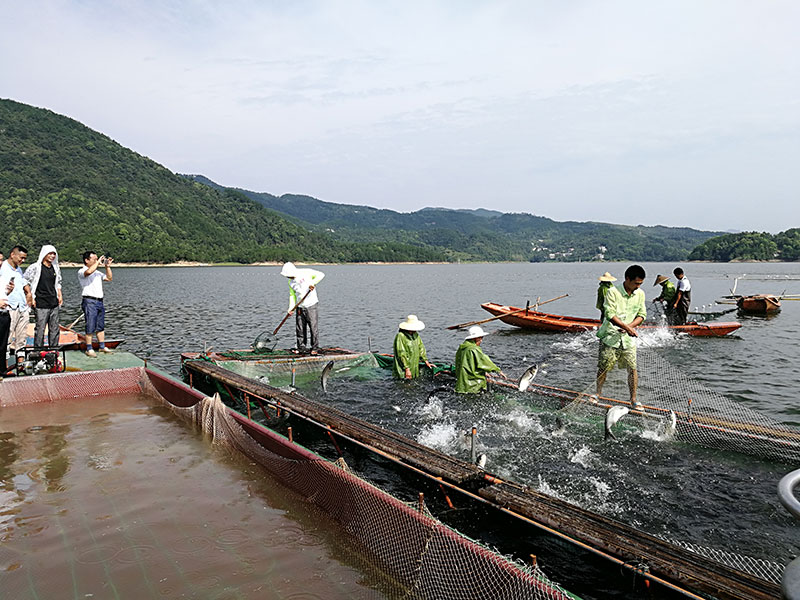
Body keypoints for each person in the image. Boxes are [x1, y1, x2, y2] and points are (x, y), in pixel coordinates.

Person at [596, 264, 647, 409]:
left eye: (640, 284)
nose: (638, 286)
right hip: (610, 337)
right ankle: (597, 394)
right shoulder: (612, 292)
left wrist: (629, 327)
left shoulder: (640, 294)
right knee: (603, 367)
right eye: (636, 283)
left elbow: (642, 315)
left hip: (628, 340)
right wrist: (626, 327)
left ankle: (633, 399)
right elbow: (609, 314)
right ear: (627, 279)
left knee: (632, 369)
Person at [23, 245, 63, 347]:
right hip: (40, 302)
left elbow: (58, 282)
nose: (52, 256)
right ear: (44, 254)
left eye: (54, 254)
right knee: (40, 329)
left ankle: (54, 350)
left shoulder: (55, 268)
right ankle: (38, 351)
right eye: (50, 253)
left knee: (54, 328)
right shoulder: (35, 267)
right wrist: (30, 296)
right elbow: (24, 280)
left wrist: (60, 294)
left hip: (53, 302)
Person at [280, 262, 324, 355]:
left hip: (311, 305)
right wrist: (291, 308)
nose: (288, 277)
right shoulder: (290, 282)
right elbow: (292, 295)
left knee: (313, 327)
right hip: (300, 306)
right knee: (300, 328)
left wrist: (313, 283)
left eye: (289, 275)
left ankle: (314, 347)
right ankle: (301, 347)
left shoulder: (305, 272)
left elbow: (321, 275)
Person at [78, 251, 113, 357]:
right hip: (89, 301)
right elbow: (88, 272)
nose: (97, 261)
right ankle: (89, 348)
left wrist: (107, 266)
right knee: (90, 324)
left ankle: (102, 346)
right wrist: (98, 263)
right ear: (86, 260)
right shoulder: (82, 271)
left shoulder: (97, 272)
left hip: (99, 301)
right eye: (94, 259)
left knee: (100, 325)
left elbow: (109, 278)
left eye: (97, 259)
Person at [454, 325, 507, 394]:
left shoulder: (462, 348)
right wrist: (498, 370)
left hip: (461, 385)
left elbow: (469, 364)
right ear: (475, 338)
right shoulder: (474, 349)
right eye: (481, 338)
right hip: (473, 386)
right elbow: (484, 361)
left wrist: (484, 371)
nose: (481, 340)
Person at [0, 246, 33, 355]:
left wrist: (29, 293)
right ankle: (5, 367)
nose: (22, 261)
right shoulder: (2, 267)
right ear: (12, 255)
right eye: (21, 258)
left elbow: (23, 282)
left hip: (22, 306)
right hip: (9, 306)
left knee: (22, 337)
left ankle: (21, 363)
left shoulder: (18, 269)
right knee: (6, 338)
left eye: (24, 259)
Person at [392, 315, 433, 379]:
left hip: (414, 366)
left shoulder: (416, 335)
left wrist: (426, 361)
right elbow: (401, 353)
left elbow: (421, 347)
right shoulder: (401, 336)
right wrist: (406, 369)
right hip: (403, 369)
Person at [0, 273, 12, 376]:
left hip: (4, 314)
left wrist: (9, 291)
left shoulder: (2, 278)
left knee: (3, 345)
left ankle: (2, 372)